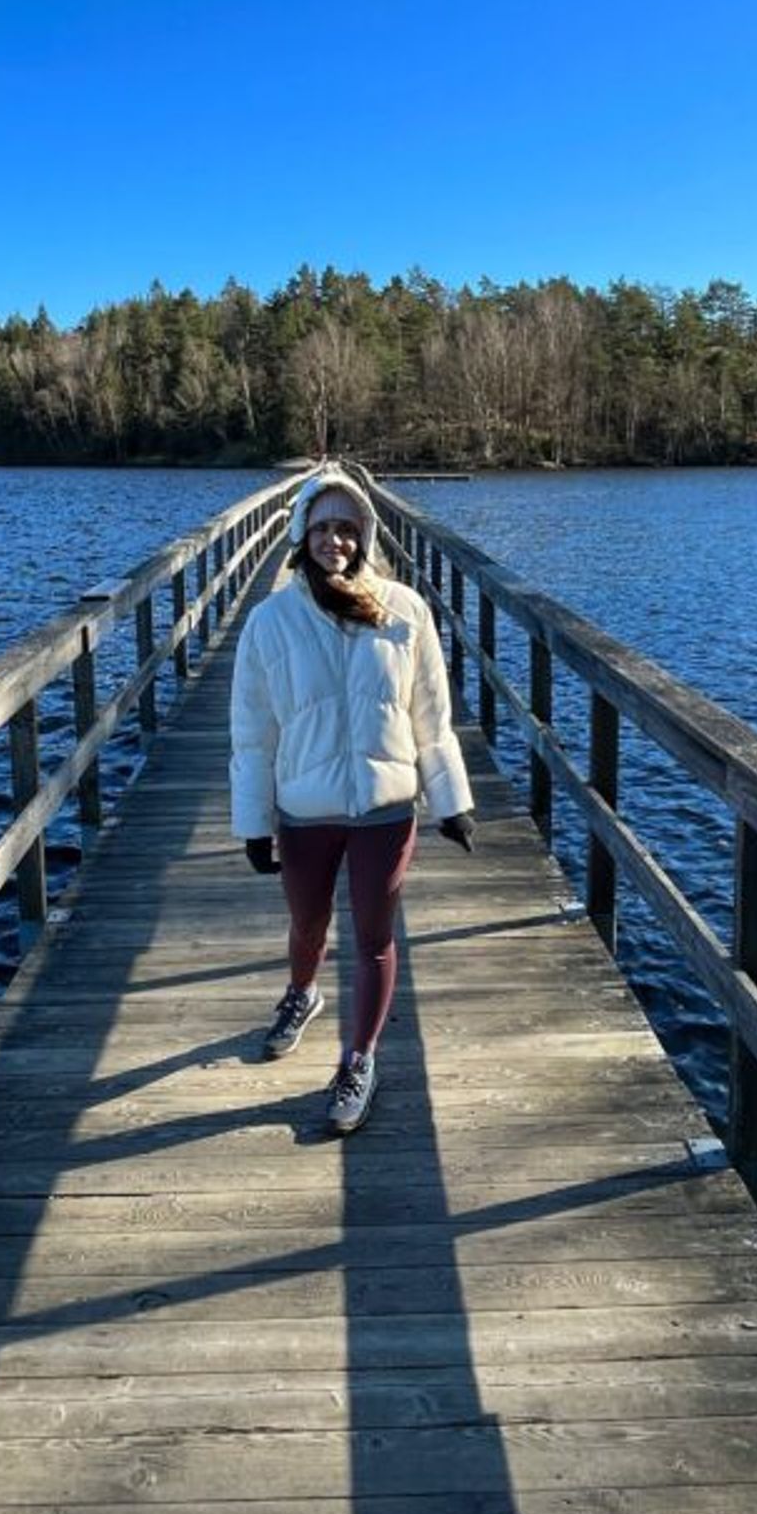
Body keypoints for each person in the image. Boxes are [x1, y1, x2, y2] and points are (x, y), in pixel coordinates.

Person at [229, 463, 475, 1135]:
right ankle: (302, 994)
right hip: (304, 809)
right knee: (308, 925)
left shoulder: (406, 612)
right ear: (301, 535)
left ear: (364, 536)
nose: (334, 541)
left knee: (372, 938)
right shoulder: (269, 622)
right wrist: (254, 821)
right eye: (322, 528)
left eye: (346, 529)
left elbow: (431, 711)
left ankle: (357, 1059)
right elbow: (252, 733)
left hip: (385, 807)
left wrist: (452, 799)